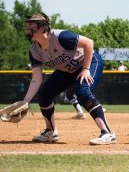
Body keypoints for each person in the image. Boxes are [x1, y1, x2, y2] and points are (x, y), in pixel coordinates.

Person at [23, 13, 116, 145]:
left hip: (88, 62)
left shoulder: (61, 37)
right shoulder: (34, 51)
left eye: (31, 27)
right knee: (44, 95)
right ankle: (51, 132)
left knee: (83, 92)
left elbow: (89, 43)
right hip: (66, 70)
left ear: (43, 28)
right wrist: (25, 101)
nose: (28, 29)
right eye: (27, 26)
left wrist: (85, 69)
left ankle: (107, 133)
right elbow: (36, 78)